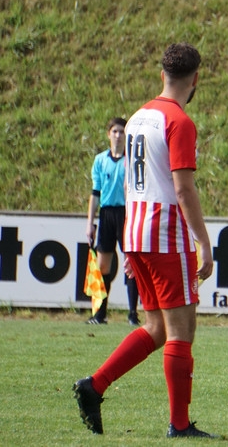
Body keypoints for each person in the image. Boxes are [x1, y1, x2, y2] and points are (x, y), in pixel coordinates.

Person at [74, 43, 216, 438]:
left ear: (161, 75)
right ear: (196, 79)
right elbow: (183, 189)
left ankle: (94, 385)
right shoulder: (179, 122)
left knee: (156, 327)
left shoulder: (138, 117)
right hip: (165, 234)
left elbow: (134, 182)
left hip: (135, 232)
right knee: (181, 329)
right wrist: (204, 243)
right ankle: (179, 424)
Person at [85, 117, 140, 326]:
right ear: (109, 134)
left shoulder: (131, 160)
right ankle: (100, 313)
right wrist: (90, 223)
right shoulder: (100, 160)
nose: (118, 136)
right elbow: (95, 193)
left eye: (122, 132)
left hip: (126, 214)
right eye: (115, 131)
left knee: (130, 262)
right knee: (103, 265)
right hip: (106, 214)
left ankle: (133, 313)